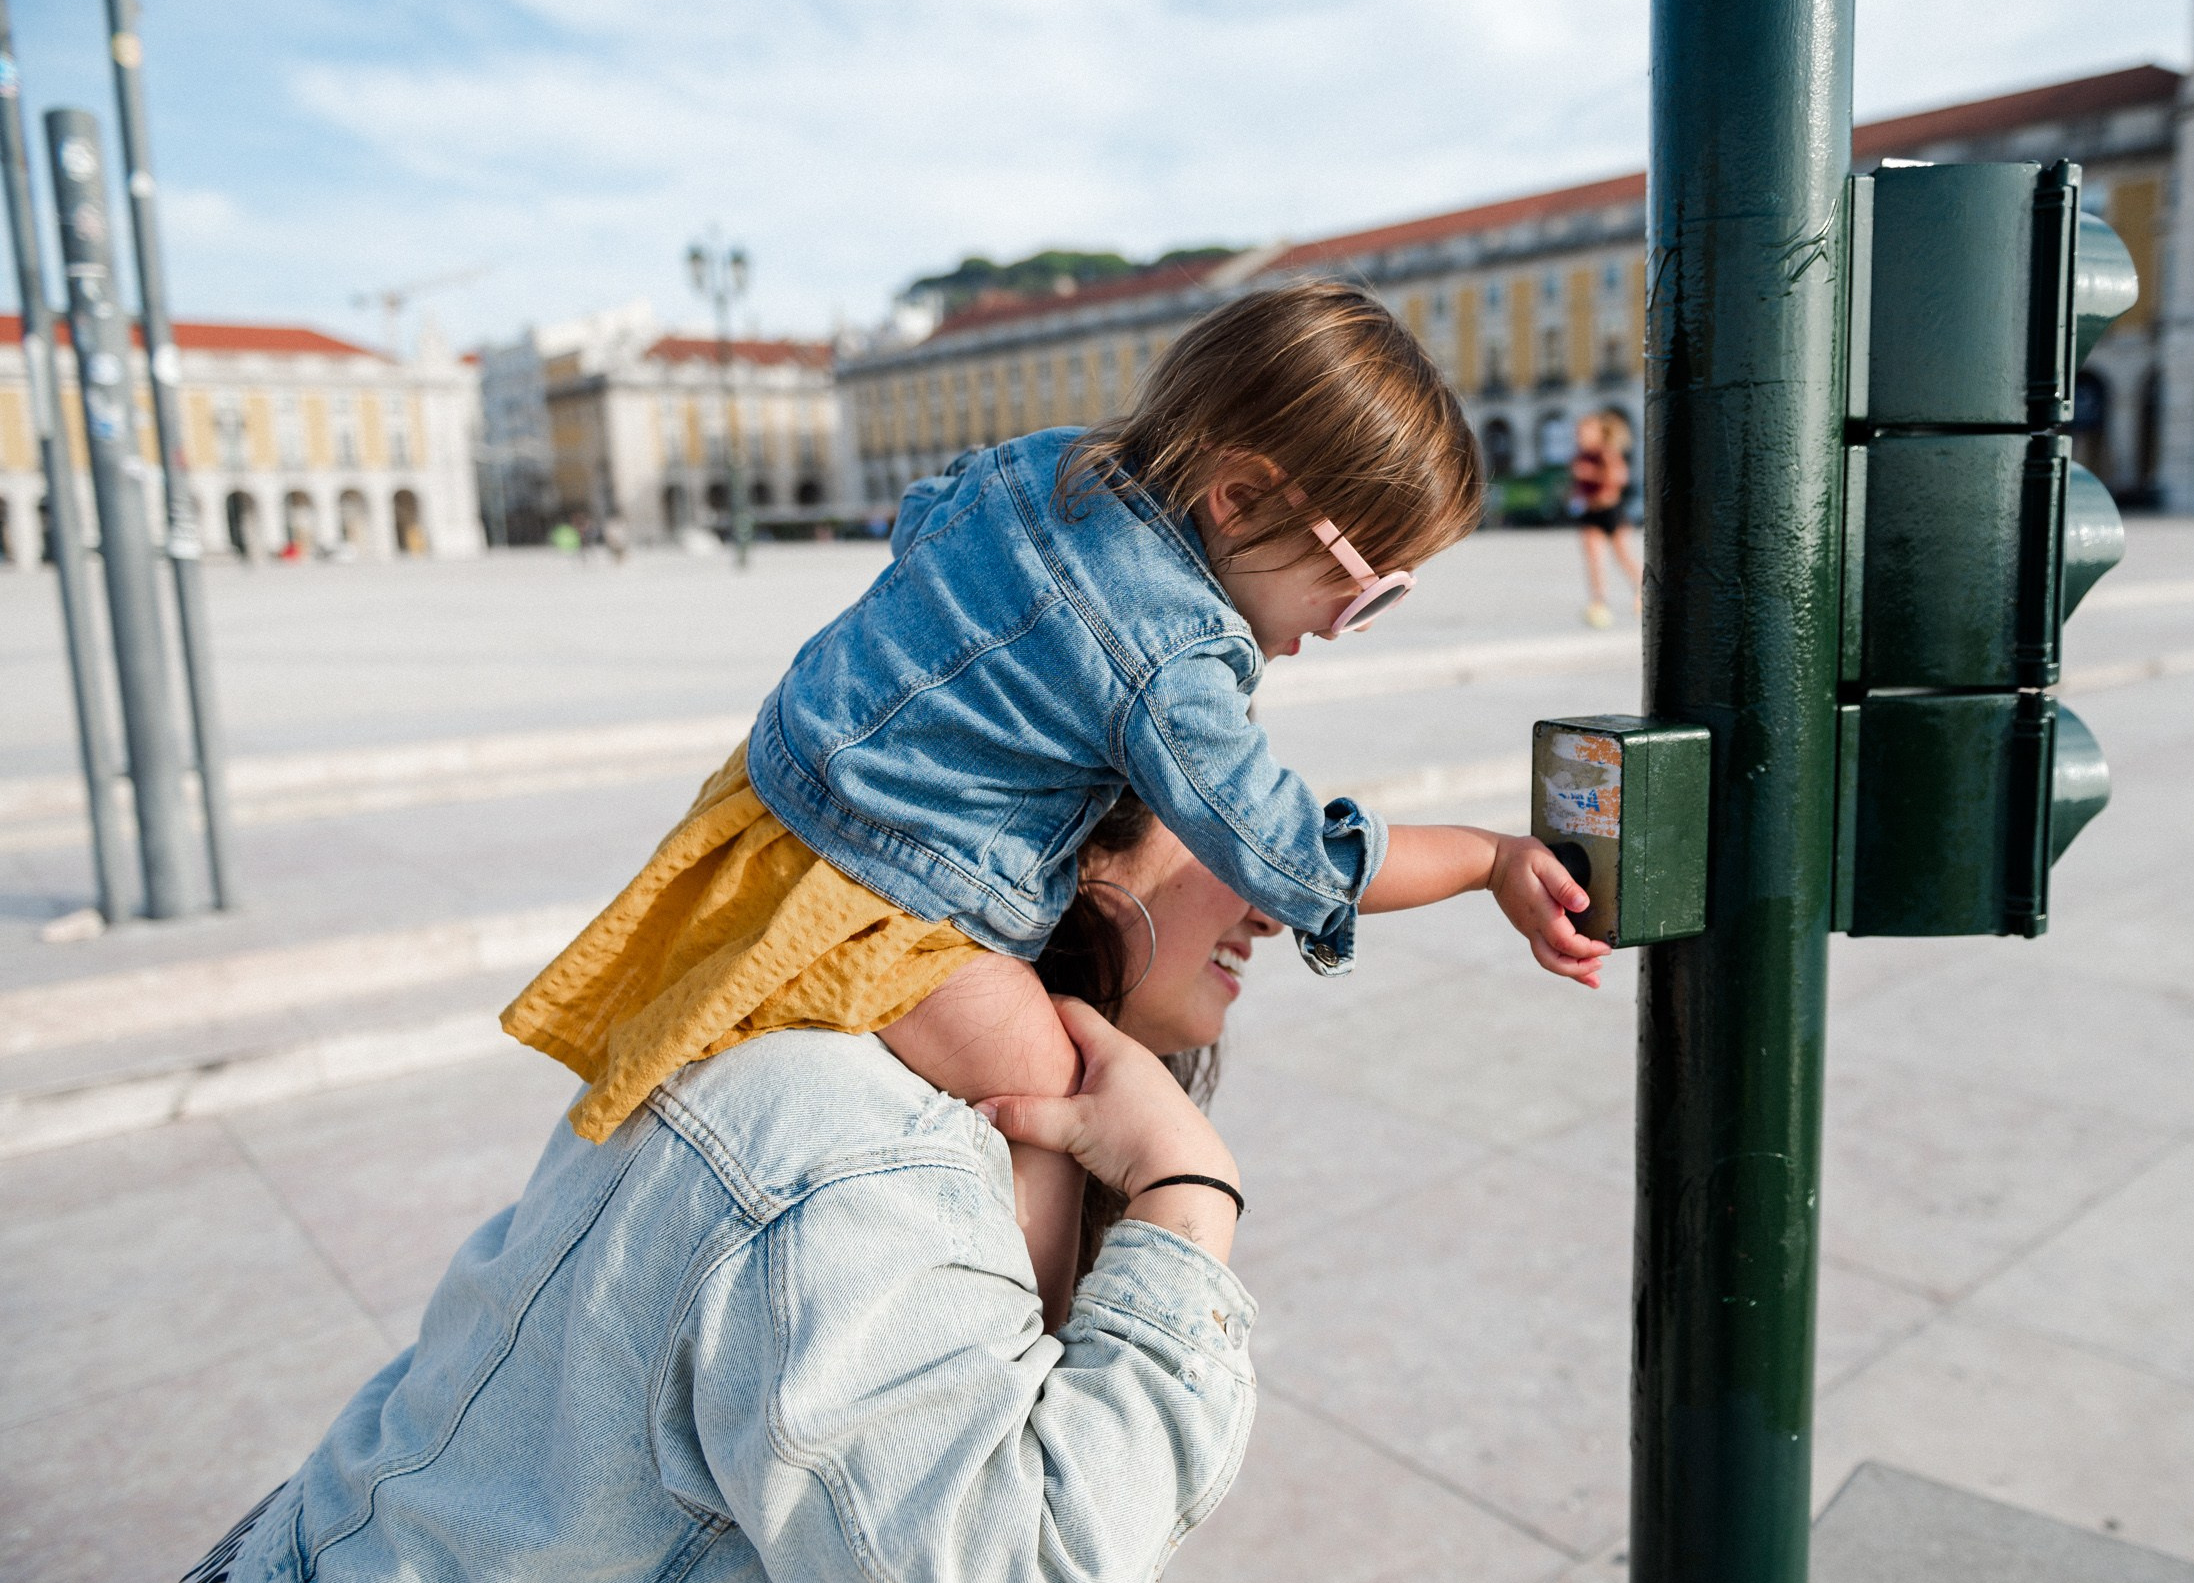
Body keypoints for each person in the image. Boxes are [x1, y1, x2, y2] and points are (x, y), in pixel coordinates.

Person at [497, 279, 1610, 1329]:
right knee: (1052, 1079)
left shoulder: (1046, 467)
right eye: (1367, 589)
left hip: (774, 789)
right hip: (894, 884)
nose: (1340, 625)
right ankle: (1027, 1335)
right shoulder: (1175, 651)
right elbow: (1289, 856)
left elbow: (926, 519)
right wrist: (1478, 856)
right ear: (1241, 498)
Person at [127, 799, 1280, 1583]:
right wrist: (1188, 1197)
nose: (1274, 900)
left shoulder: (853, 1025)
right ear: (1079, 843)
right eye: (1234, 828)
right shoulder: (865, 1149)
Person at [1571, 410, 1638, 628]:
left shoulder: (1606, 452)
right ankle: (1599, 602)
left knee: (1623, 557)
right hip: (1591, 512)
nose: (1580, 436)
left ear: (1599, 433)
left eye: (1584, 432)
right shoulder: (1581, 455)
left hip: (1612, 510)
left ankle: (1643, 590)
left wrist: (1590, 473)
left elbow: (1621, 478)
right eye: (1578, 432)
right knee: (1594, 559)